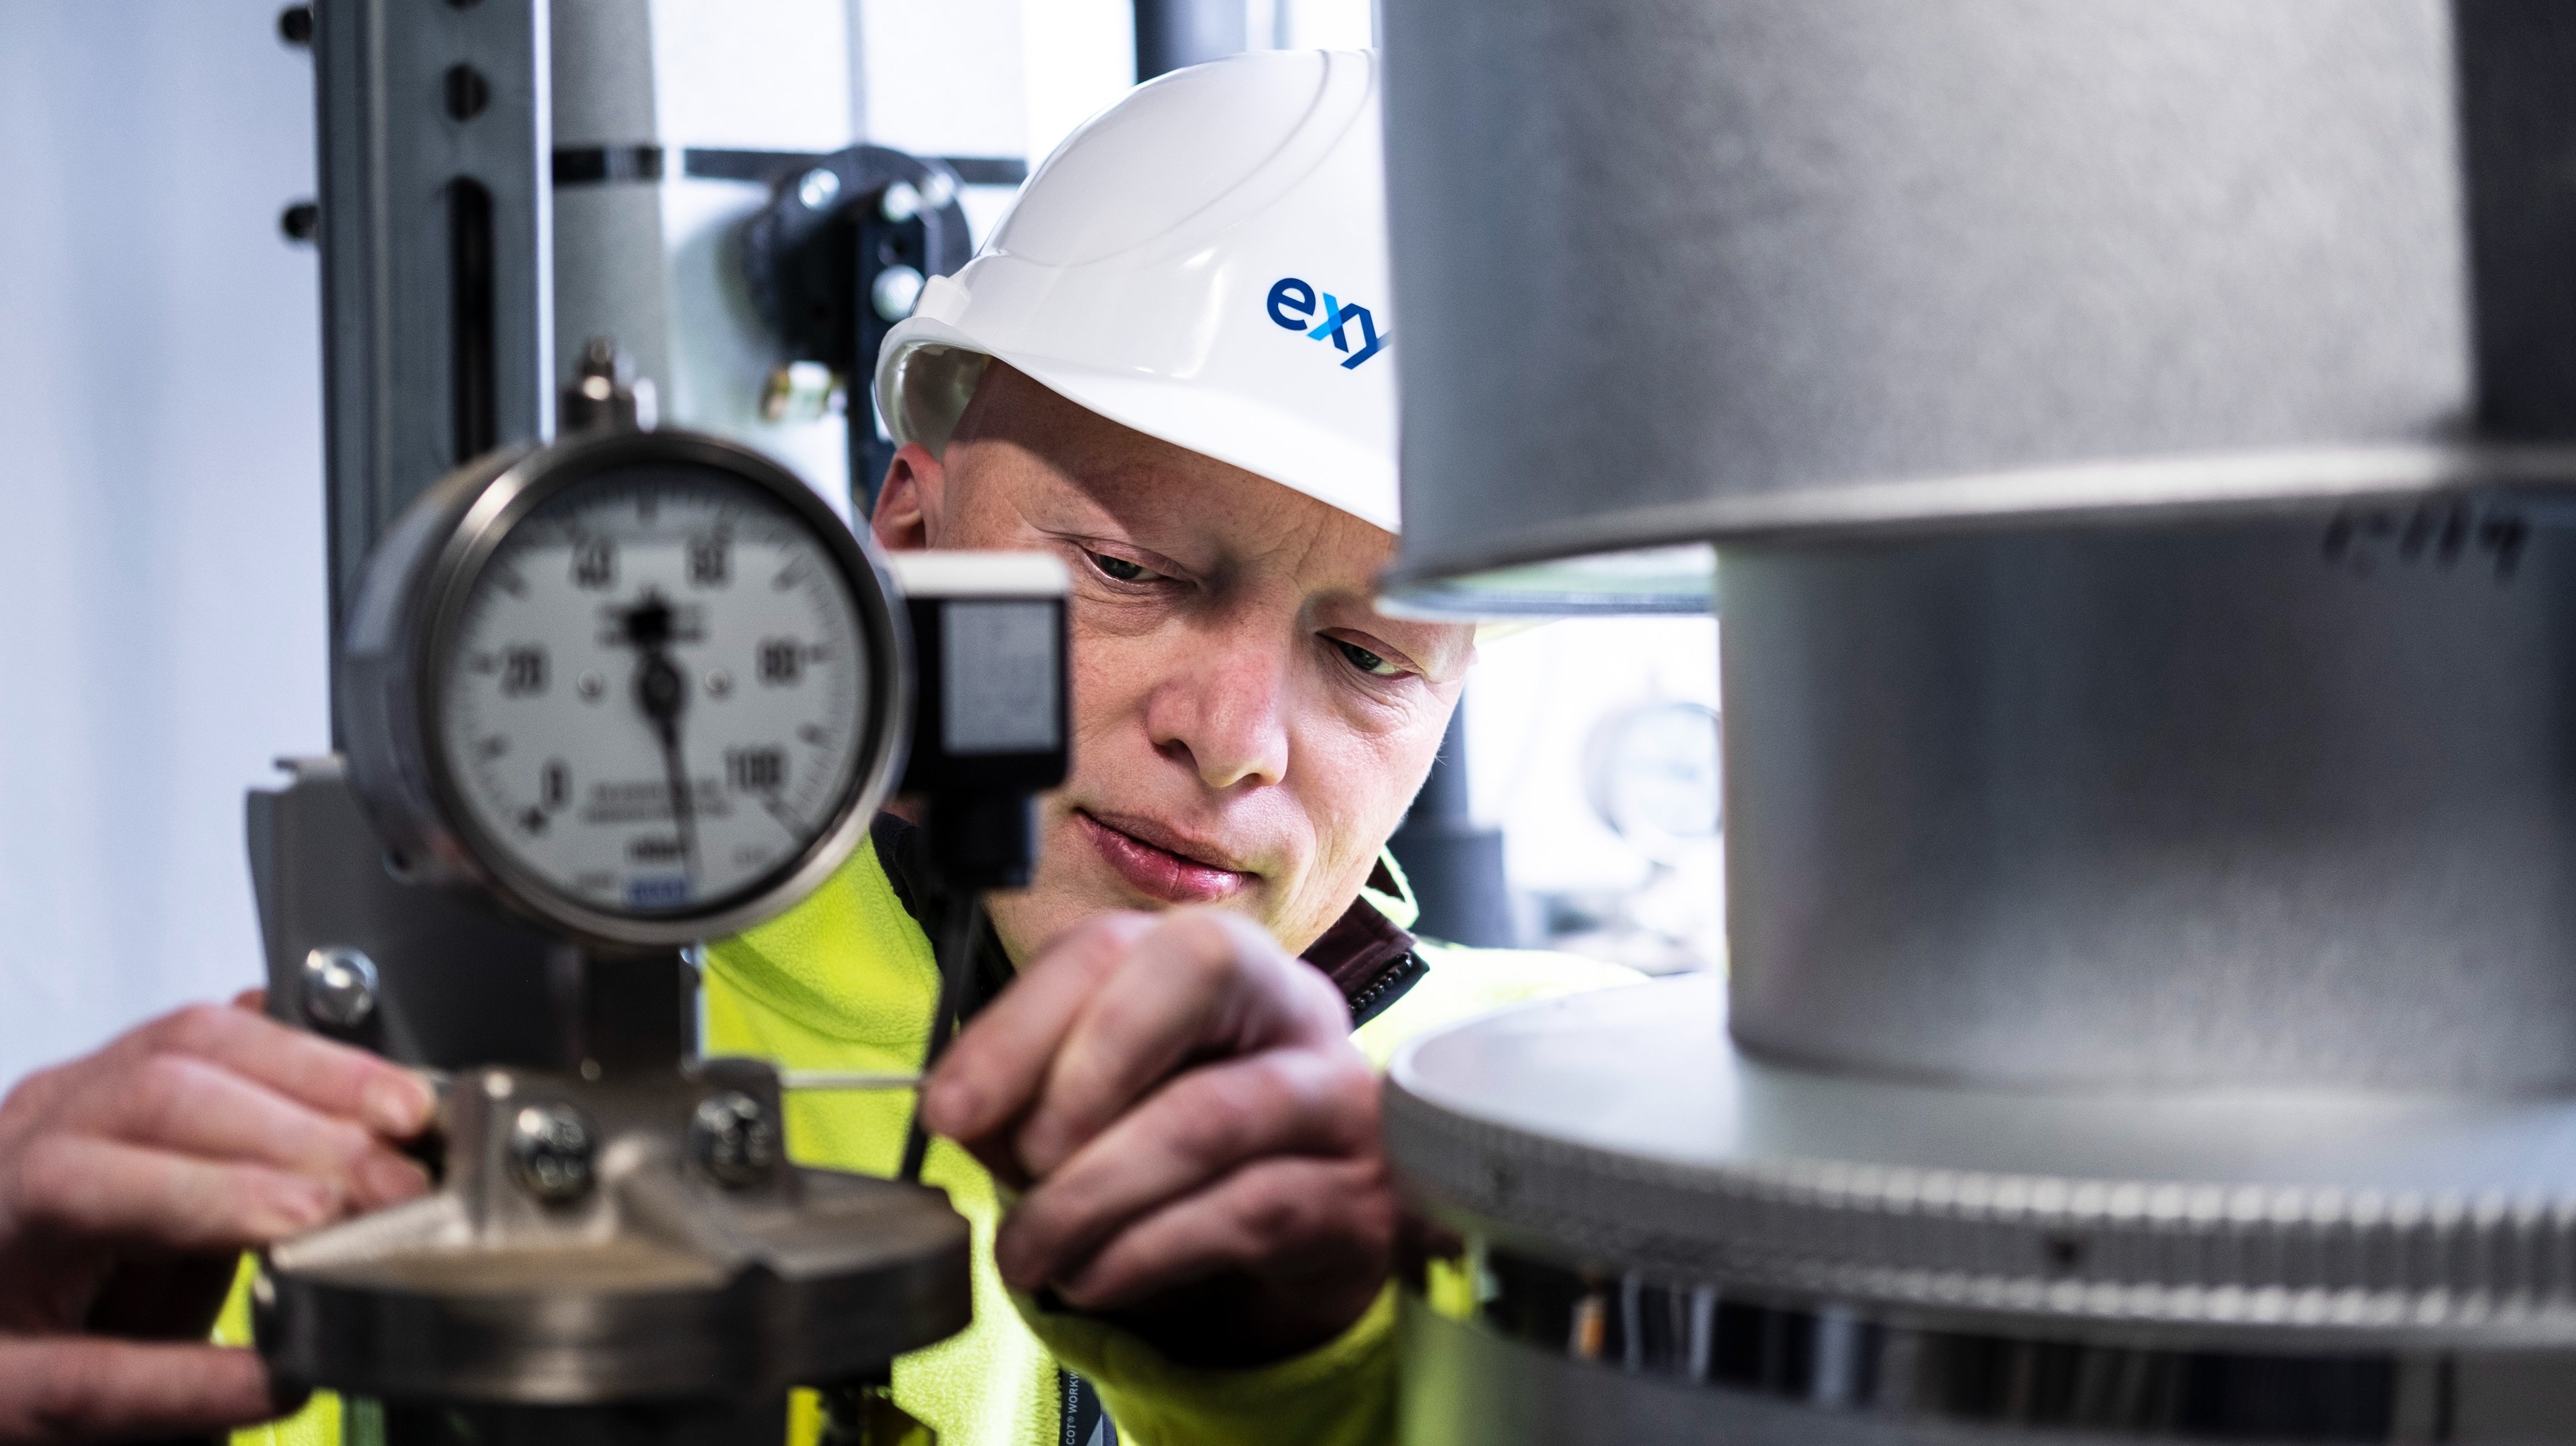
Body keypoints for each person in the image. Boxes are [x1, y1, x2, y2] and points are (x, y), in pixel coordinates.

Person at [0, 46, 1629, 1446]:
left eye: (1367, 656)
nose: (1230, 739)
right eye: (1127, 570)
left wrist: (1323, 1386)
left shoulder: (1603, 1131)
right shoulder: (474, 1085)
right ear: (908, 527)